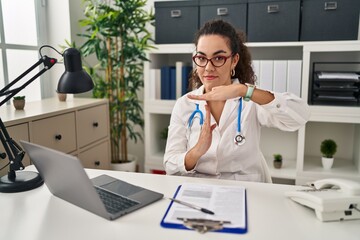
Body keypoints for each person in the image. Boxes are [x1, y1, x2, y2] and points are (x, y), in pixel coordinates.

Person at [163, 19, 310, 183]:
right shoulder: (185, 104)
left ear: (234, 60)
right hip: (200, 190)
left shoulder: (250, 100)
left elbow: (300, 116)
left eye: (218, 58)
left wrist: (244, 90)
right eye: (202, 58)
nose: (208, 67)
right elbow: (170, 166)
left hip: (245, 191)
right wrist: (197, 151)